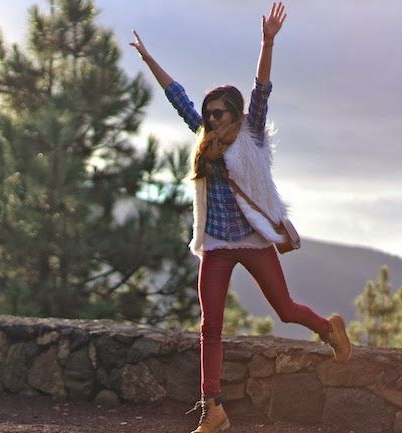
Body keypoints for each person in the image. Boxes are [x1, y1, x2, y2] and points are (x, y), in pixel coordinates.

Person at [130, 3, 351, 433]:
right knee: (210, 325)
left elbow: (261, 88)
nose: (211, 119)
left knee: (285, 309)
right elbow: (178, 97)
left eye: (219, 113)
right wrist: (148, 58)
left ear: (234, 113)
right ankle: (212, 408)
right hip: (216, 244)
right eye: (208, 113)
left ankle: (328, 329)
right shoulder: (205, 140)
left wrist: (267, 43)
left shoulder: (251, 136)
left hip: (252, 240)